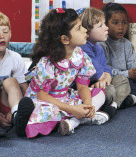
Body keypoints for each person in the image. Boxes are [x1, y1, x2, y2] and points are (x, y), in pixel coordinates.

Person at [22, 8, 109, 138]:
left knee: (99, 93)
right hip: (47, 100)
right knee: (49, 113)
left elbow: (83, 86)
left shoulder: (80, 55)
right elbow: (42, 96)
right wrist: (73, 109)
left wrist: (87, 105)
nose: (85, 30)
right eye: (79, 28)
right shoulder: (47, 62)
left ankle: (74, 120)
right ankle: (75, 119)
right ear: (64, 39)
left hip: (66, 97)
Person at [0, 11, 30, 141]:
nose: (1, 36)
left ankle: (17, 116)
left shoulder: (15, 58)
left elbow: (25, 89)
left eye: (5, 31)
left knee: (11, 81)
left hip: (7, 103)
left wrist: (11, 111)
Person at [79, 7, 132, 117]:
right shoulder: (83, 47)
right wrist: (103, 77)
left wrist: (106, 77)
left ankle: (113, 105)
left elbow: (106, 69)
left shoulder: (98, 48)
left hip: (102, 83)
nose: (106, 28)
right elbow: (97, 72)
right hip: (86, 88)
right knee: (110, 91)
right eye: (100, 26)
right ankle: (115, 103)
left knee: (122, 80)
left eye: (105, 24)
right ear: (87, 31)